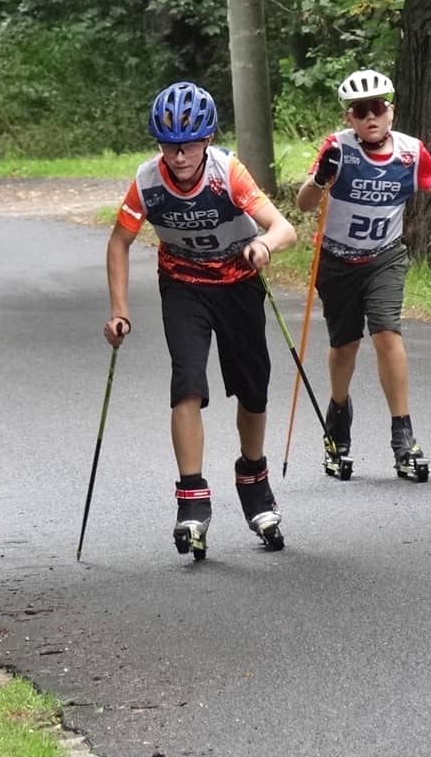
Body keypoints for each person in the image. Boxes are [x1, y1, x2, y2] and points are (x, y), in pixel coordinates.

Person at [104, 81, 297, 558]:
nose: (179, 155)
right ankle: (191, 497)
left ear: (207, 140)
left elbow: (284, 228)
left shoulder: (227, 173)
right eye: (168, 145)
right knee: (187, 382)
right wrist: (119, 310)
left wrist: (263, 245)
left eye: (189, 144)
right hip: (183, 285)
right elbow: (119, 243)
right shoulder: (148, 181)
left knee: (252, 389)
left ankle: (253, 478)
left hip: (238, 282)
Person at [297, 68, 431, 482]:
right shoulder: (337, 148)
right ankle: (338, 422)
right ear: (349, 118)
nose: (370, 117)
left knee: (387, 333)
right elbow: (304, 204)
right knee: (345, 347)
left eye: (376, 108)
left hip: (384, 257)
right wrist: (320, 178)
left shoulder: (410, 153)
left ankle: (403, 437)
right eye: (360, 111)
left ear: (391, 111)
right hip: (337, 261)